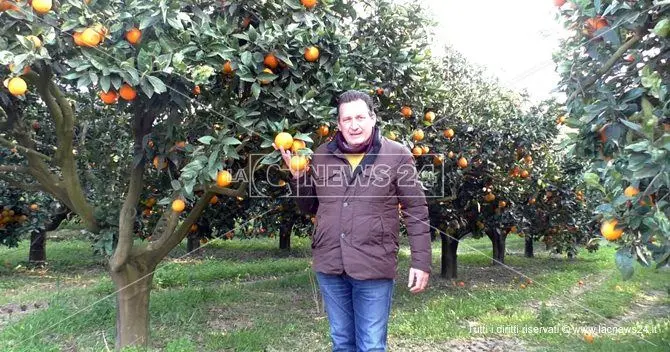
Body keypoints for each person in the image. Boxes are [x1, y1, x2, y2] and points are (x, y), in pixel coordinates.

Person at [276, 90, 431, 352]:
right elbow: (311, 207)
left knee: (371, 345)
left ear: (373, 118)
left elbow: (416, 209)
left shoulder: (397, 154)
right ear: (338, 124)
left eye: (360, 117)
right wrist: (299, 179)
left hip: (374, 263)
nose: (354, 125)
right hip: (330, 263)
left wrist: (421, 261)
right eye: (346, 119)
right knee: (341, 342)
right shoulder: (322, 155)